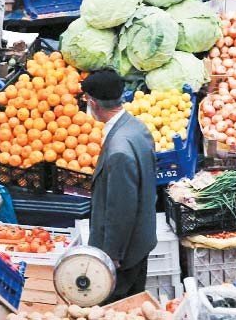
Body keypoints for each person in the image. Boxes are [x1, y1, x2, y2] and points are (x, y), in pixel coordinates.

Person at [82, 69, 158, 303]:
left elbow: (121, 210)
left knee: (117, 306)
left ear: (94, 103)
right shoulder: (136, 126)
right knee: (133, 305)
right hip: (140, 241)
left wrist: (112, 254)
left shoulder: (119, 151)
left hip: (124, 253)